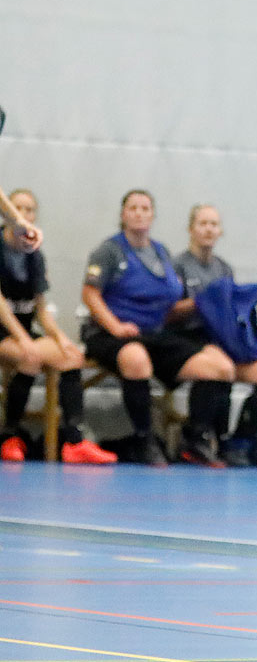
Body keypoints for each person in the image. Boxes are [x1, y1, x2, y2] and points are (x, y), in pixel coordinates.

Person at [81, 190, 238, 465]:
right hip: (110, 333)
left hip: (154, 334)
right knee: (136, 358)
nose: (139, 213)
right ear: (123, 214)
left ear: (152, 215)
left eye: (145, 208)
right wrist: (115, 326)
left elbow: (172, 301)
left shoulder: (161, 252)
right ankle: (144, 439)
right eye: (133, 208)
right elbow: (90, 294)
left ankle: (195, 439)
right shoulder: (110, 251)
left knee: (220, 367)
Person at [1, 191, 113, 463]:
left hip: (24, 330)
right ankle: (9, 436)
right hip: (5, 331)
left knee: (70, 355)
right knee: (30, 356)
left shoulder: (33, 253)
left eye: (30, 210)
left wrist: (61, 337)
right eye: (18, 209)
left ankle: (74, 440)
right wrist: (23, 339)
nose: (24, 215)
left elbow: (41, 307)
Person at [170, 206, 257, 468]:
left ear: (220, 231)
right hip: (187, 337)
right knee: (219, 366)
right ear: (191, 229)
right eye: (202, 224)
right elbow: (168, 312)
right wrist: (201, 302)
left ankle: (250, 441)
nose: (208, 229)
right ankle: (200, 437)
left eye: (213, 224)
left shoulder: (224, 269)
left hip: (219, 337)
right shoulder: (178, 266)